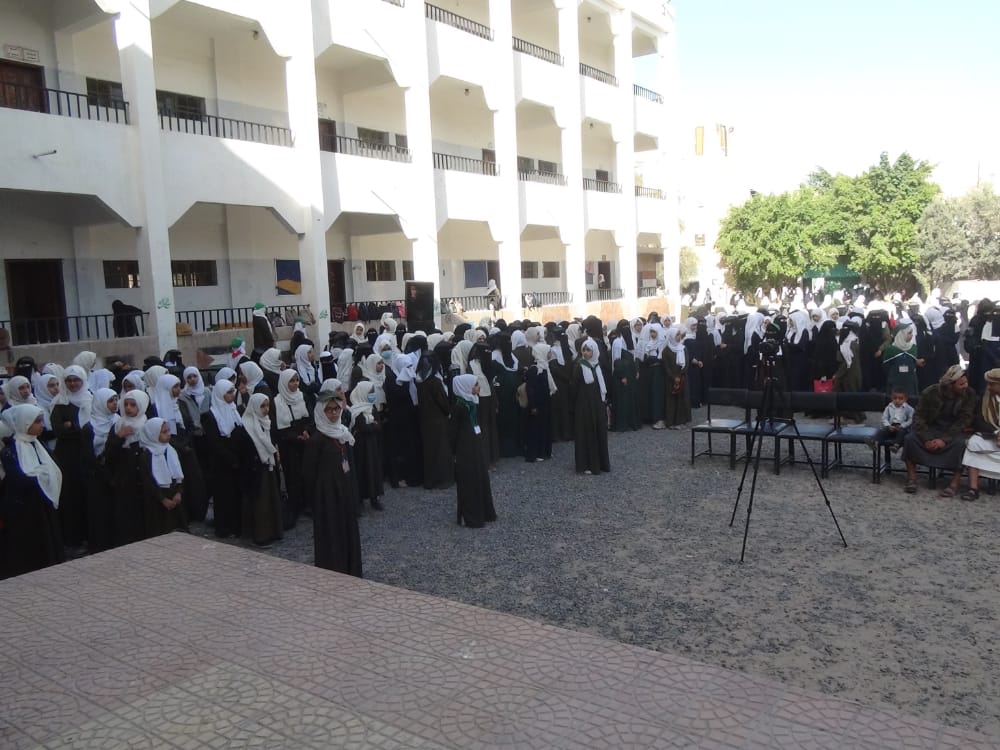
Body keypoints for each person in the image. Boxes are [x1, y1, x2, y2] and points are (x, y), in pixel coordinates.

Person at [0, 404, 63, 578]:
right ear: (25, 423)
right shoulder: (11, 450)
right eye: (37, 422)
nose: (42, 425)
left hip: (42, 503)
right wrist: (40, 476)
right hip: (24, 507)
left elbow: (53, 466)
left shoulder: (38, 444)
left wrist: (43, 474)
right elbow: (17, 478)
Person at [302, 393, 362, 576]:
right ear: (321, 412)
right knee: (332, 533)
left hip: (344, 490)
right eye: (329, 410)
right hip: (327, 495)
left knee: (347, 530)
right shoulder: (317, 440)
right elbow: (309, 473)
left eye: (336, 408)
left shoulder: (342, 433)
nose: (334, 413)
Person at [902, 365, 977, 495]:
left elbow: (965, 420)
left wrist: (944, 440)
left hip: (953, 431)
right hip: (931, 428)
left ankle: (954, 484)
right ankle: (912, 479)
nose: (965, 386)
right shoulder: (930, 392)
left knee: (961, 445)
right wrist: (927, 438)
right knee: (910, 439)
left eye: (966, 382)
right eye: (961, 384)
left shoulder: (969, 394)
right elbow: (918, 416)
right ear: (951, 384)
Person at [941, 368, 1000, 501]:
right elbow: (978, 421)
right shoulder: (985, 397)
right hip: (992, 434)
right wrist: (996, 432)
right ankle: (973, 488)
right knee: (973, 443)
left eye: (991, 384)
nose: (988, 387)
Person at [50, 364, 92, 550]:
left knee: (87, 495)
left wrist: (71, 426)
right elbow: (59, 430)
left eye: (76, 380)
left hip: (86, 453)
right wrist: (76, 427)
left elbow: (92, 427)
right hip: (67, 456)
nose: (73, 384)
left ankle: (89, 536)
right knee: (71, 496)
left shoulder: (90, 399)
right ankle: (74, 539)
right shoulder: (59, 402)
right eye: (69, 380)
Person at [449, 374, 497, 527]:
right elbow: (453, 431)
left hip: (475, 445)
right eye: (475, 385)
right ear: (466, 387)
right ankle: (470, 515)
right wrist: (454, 452)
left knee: (480, 476)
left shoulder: (472, 402)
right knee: (469, 480)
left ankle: (484, 511)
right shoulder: (459, 406)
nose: (478, 387)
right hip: (465, 448)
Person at [201, 380, 245, 538]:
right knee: (223, 496)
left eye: (233, 392)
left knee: (236, 494)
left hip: (235, 459)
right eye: (228, 392)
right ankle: (224, 527)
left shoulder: (234, 410)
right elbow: (214, 443)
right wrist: (230, 458)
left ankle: (236, 525)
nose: (232, 395)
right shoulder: (210, 416)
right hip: (221, 463)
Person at [239, 393, 283, 547]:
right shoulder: (247, 425)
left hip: (268, 467)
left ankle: (274, 531)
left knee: (271, 500)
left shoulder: (266, 422)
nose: (266, 409)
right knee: (260, 503)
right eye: (262, 406)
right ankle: (261, 534)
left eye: (267, 405)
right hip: (256, 470)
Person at [80, 388, 121, 553]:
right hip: (97, 475)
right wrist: (106, 475)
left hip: (115, 471)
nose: (115, 404)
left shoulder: (118, 421)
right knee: (99, 512)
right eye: (110, 401)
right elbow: (89, 457)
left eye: (116, 399)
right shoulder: (89, 427)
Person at [138, 417, 188, 537]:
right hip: (156, 500)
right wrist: (163, 499)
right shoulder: (146, 456)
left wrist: (179, 492)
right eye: (164, 432)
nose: (168, 434)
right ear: (153, 434)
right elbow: (148, 481)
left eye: (168, 431)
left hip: (173, 495)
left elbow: (179, 474)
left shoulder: (171, 450)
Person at [112, 389, 148, 546]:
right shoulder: (119, 424)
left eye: (133, 405)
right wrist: (119, 437)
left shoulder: (146, 424)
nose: (128, 408)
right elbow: (110, 451)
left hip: (142, 472)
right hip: (124, 473)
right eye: (125, 404)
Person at [571, 338, 610, 475]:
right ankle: (586, 464)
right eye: (584, 350)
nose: (586, 353)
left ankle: (600, 463)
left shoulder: (597, 365)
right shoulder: (579, 366)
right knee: (585, 433)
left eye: (588, 350)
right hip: (584, 406)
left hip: (597, 404)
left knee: (599, 432)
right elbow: (574, 387)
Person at [414, 353, 453, 491]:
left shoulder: (418, 380)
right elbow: (442, 401)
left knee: (429, 451)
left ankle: (430, 480)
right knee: (441, 450)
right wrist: (448, 412)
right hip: (438, 419)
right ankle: (442, 479)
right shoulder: (434, 382)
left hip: (425, 419)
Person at [349, 381, 386, 509]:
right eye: (370, 392)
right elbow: (363, 427)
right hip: (361, 445)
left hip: (372, 444)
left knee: (373, 469)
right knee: (362, 469)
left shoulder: (372, 407)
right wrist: (373, 425)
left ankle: (374, 498)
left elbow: (378, 425)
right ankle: (360, 499)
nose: (372, 395)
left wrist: (373, 426)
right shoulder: (356, 410)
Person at [524, 343, 555, 461]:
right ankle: (536, 453)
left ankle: (545, 452)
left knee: (545, 427)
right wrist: (533, 406)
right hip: (537, 404)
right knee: (536, 429)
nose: (550, 354)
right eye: (548, 352)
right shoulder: (535, 369)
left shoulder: (545, 367)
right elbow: (530, 388)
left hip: (545, 402)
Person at [868, 387, 914, 453]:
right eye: (895, 398)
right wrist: (888, 425)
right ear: (891, 398)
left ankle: (896, 446)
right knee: (882, 431)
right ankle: (873, 442)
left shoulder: (909, 409)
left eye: (900, 398)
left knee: (902, 432)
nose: (897, 400)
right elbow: (884, 418)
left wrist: (902, 426)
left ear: (905, 399)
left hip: (902, 427)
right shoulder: (889, 407)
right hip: (891, 426)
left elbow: (911, 420)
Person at [663, 325, 691, 429]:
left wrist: (680, 375)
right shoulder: (666, 351)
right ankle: (671, 422)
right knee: (671, 401)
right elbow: (666, 366)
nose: (679, 336)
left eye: (679, 334)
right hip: (671, 379)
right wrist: (673, 377)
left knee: (682, 399)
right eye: (677, 335)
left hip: (682, 377)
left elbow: (686, 363)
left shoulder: (683, 348)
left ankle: (680, 421)